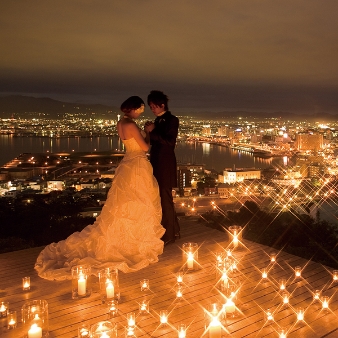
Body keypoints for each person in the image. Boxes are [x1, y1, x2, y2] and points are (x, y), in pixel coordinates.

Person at [35, 96, 165, 280]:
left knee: (124, 202)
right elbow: (144, 148)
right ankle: (132, 240)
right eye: (141, 109)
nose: (142, 112)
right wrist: (148, 132)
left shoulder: (121, 123)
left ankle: (127, 234)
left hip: (127, 163)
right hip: (137, 165)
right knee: (139, 199)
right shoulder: (132, 125)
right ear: (134, 108)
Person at [145, 90, 180, 246]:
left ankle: (169, 235)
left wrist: (153, 132)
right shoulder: (158, 120)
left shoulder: (172, 120)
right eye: (151, 107)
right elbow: (155, 143)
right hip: (157, 164)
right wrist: (149, 132)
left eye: (154, 106)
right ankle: (175, 230)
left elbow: (169, 142)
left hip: (165, 165)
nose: (152, 109)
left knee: (165, 199)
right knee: (162, 199)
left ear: (162, 105)